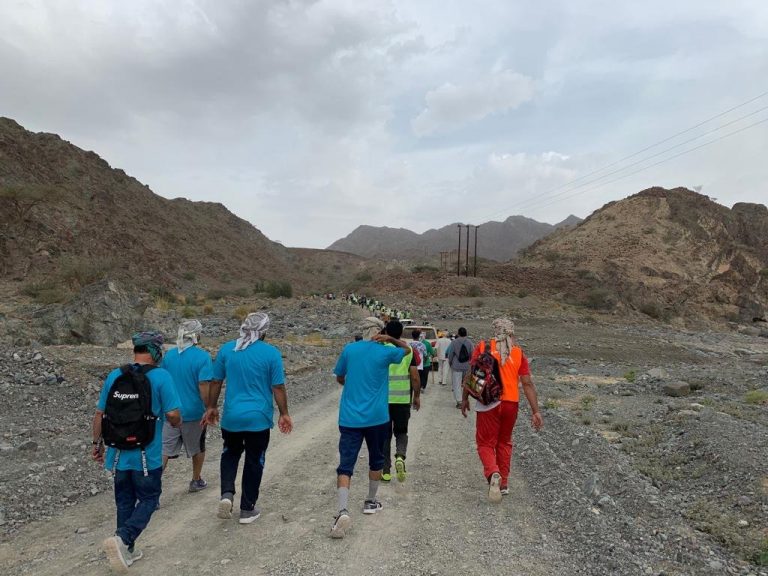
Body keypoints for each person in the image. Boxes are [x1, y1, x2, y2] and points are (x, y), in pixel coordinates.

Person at [91, 331, 181, 572]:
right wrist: (176, 423)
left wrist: (96, 444)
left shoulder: (115, 375)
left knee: (124, 502)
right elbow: (173, 414)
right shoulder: (161, 377)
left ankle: (127, 551)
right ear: (155, 351)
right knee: (150, 499)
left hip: (118, 455)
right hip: (146, 455)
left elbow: (100, 413)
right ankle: (123, 538)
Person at [203, 312, 292, 525]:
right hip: (257, 419)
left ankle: (226, 494)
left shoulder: (227, 349)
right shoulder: (271, 353)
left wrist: (211, 407)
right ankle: (247, 508)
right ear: (264, 331)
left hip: (232, 417)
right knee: (254, 460)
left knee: (230, 454)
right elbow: (278, 387)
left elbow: (215, 381)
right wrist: (284, 413)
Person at [330, 317, 411, 539]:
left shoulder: (349, 349)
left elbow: (339, 376)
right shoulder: (385, 352)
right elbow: (407, 349)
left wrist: (350, 383)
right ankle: (370, 501)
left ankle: (342, 510)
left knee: (345, 464)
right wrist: (391, 339)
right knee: (376, 459)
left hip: (349, 418)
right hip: (377, 418)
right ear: (380, 331)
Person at [461, 318, 543, 501]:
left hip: (489, 403)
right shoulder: (518, 352)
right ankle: (503, 483)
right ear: (512, 332)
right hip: (511, 404)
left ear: (495, 330)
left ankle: (493, 473)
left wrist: (465, 399)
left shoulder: (483, 347)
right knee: (504, 442)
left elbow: (471, 375)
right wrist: (535, 411)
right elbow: (527, 383)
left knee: (485, 443)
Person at [160, 319, 213, 492]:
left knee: (164, 450)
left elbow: (163, 382)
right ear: (196, 335)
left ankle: (152, 490)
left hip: (171, 412)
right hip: (194, 412)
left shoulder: (169, 356)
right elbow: (203, 385)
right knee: (198, 446)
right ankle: (196, 480)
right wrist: (209, 407)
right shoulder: (203, 357)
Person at [381, 320, 421, 483]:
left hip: (383, 401)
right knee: (401, 432)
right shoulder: (407, 351)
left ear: (386, 333)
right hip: (403, 400)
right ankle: (400, 456)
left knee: (385, 435)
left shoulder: (381, 349)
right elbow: (415, 376)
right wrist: (416, 396)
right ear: (401, 333)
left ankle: (385, 471)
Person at [446, 327, 474, 408]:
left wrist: (450, 362)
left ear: (458, 333)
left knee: (457, 384)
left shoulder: (454, 342)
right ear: (466, 333)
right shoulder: (470, 342)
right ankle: (465, 399)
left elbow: (451, 354)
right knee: (466, 385)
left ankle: (459, 401)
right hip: (467, 366)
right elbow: (472, 355)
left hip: (456, 366)